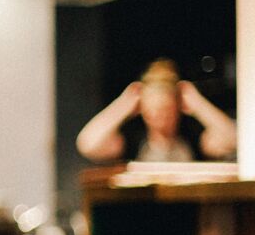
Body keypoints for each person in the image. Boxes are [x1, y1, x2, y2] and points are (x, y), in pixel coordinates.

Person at [76, 58, 237, 163]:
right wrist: (123, 104)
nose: (160, 117)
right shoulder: (133, 143)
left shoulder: (192, 139)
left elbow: (234, 140)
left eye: (166, 110)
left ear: (177, 107)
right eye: (153, 110)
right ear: (142, 109)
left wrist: (197, 103)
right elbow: (88, 145)